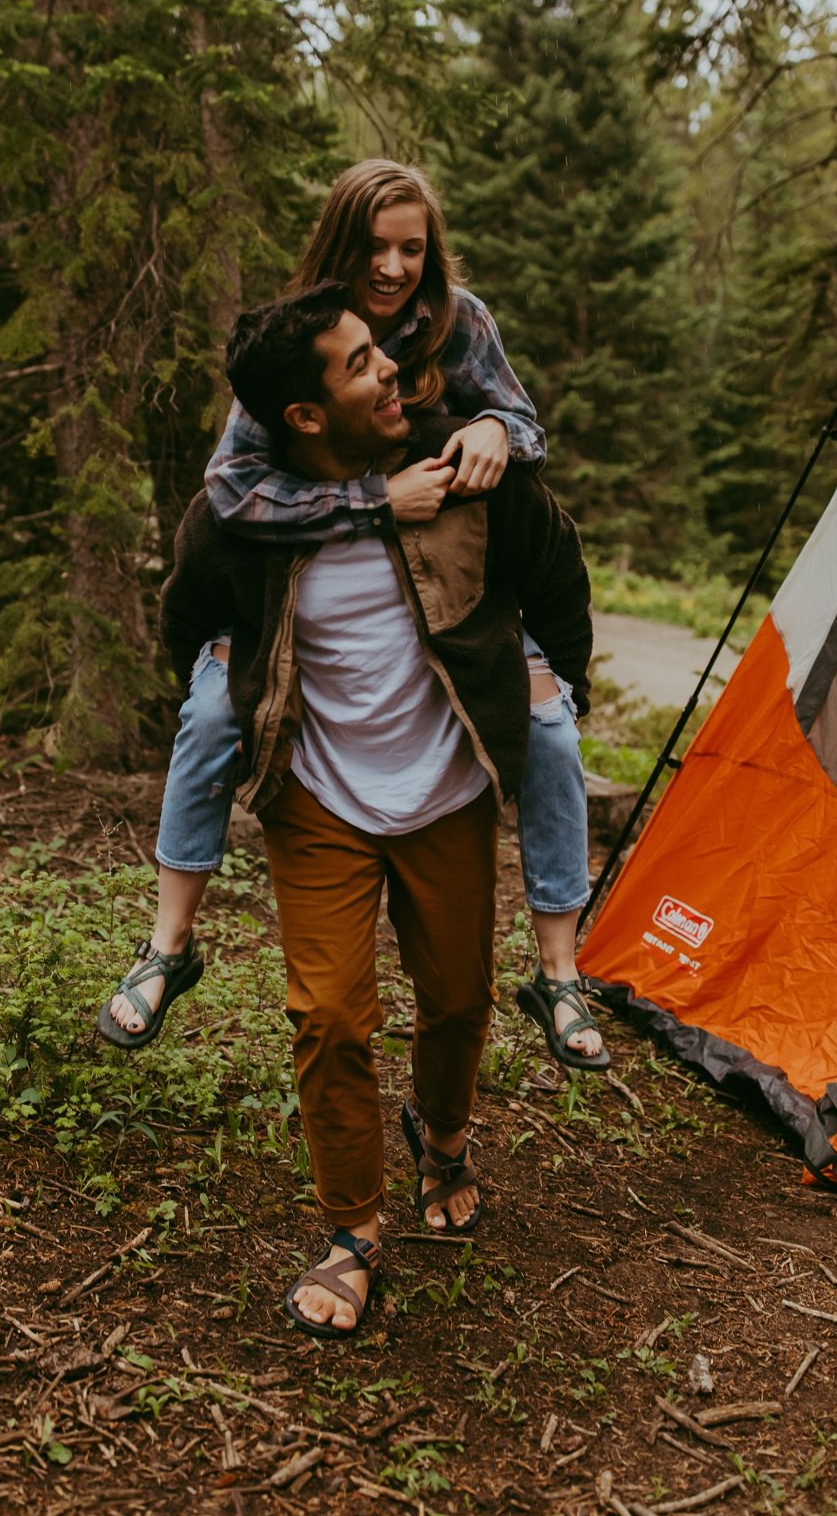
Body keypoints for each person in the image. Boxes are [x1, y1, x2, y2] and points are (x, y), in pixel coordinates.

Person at [144, 282, 595, 1332]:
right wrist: (232, 690)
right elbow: (188, 613)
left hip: (448, 790)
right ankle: (353, 1228)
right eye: (359, 364)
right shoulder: (245, 514)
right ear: (306, 414)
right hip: (317, 798)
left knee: (457, 999)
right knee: (330, 1014)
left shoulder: (465, 471)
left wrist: (546, 694)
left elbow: (555, 571)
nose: (390, 365)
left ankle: (441, 1135)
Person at [99, 161, 606, 1072]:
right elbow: (232, 490)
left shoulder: (461, 320)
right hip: (315, 586)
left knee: (551, 731)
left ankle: (558, 969)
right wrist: (373, 502)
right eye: (374, 247)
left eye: (412, 247)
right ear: (340, 245)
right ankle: (168, 945)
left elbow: (523, 432)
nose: (393, 267)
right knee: (214, 714)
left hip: (454, 587)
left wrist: (495, 429)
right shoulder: (300, 336)